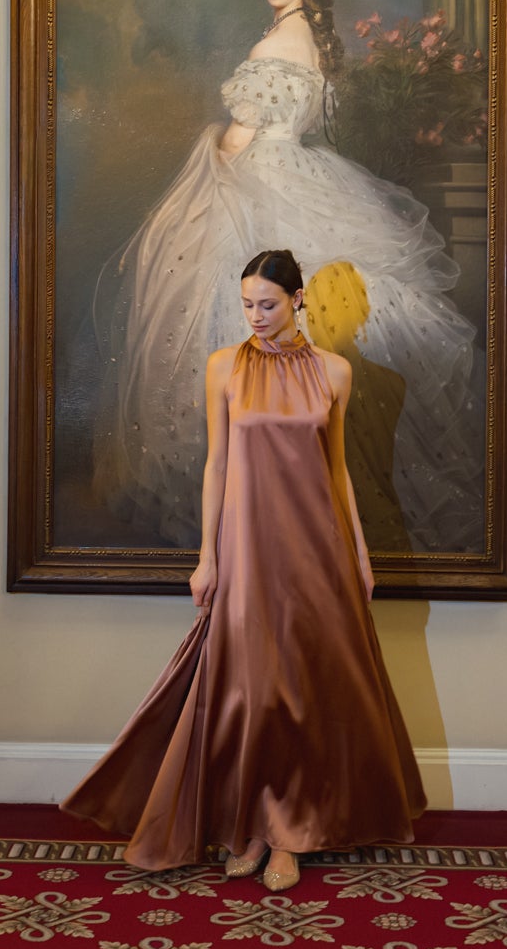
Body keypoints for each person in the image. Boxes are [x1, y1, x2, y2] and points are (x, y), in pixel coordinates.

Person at [92, 0, 479, 556]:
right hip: (304, 165)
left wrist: (215, 154)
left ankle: (258, 487)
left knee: (227, 291)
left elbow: (241, 133)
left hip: (265, 169)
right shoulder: (314, 42)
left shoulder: (274, 45)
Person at [63, 249, 427, 887]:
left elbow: (339, 470)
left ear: (298, 301)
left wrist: (361, 556)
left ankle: (288, 834)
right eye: (246, 305)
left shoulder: (335, 373)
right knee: (254, 690)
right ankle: (254, 826)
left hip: (319, 551)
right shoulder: (224, 367)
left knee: (306, 690)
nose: (255, 316)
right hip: (248, 548)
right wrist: (208, 557)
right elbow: (217, 465)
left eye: (267, 304)